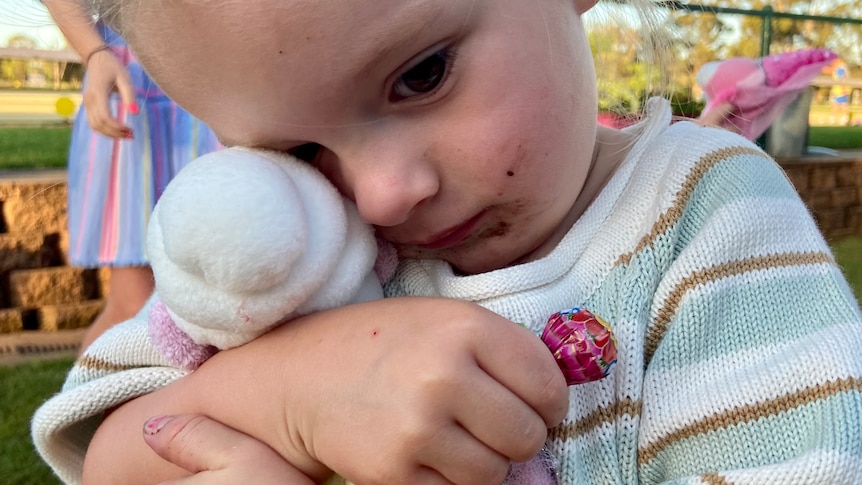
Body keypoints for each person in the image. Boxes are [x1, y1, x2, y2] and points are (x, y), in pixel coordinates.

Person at [32, 0, 862, 484]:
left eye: (423, 73)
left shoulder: (701, 210)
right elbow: (110, 451)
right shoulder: (299, 255)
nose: (382, 193)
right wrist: (286, 398)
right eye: (297, 152)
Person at [42, 0, 222, 352]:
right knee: (134, 301)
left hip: (211, 83)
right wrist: (95, 53)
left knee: (215, 290)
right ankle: (82, 405)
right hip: (131, 87)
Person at [695, 48, 837, 140]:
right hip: (762, 74)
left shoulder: (731, 95)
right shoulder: (731, 95)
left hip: (762, 75)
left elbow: (708, 121)